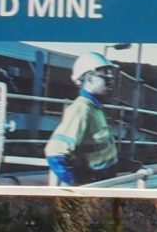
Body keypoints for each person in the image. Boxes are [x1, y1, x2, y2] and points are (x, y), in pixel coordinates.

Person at [45, 53, 122, 186]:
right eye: (105, 76)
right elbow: (54, 152)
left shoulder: (95, 108)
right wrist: (78, 183)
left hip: (104, 180)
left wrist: (124, 164)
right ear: (90, 78)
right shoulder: (81, 109)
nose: (110, 80)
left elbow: (100, 149)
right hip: (92, 185)